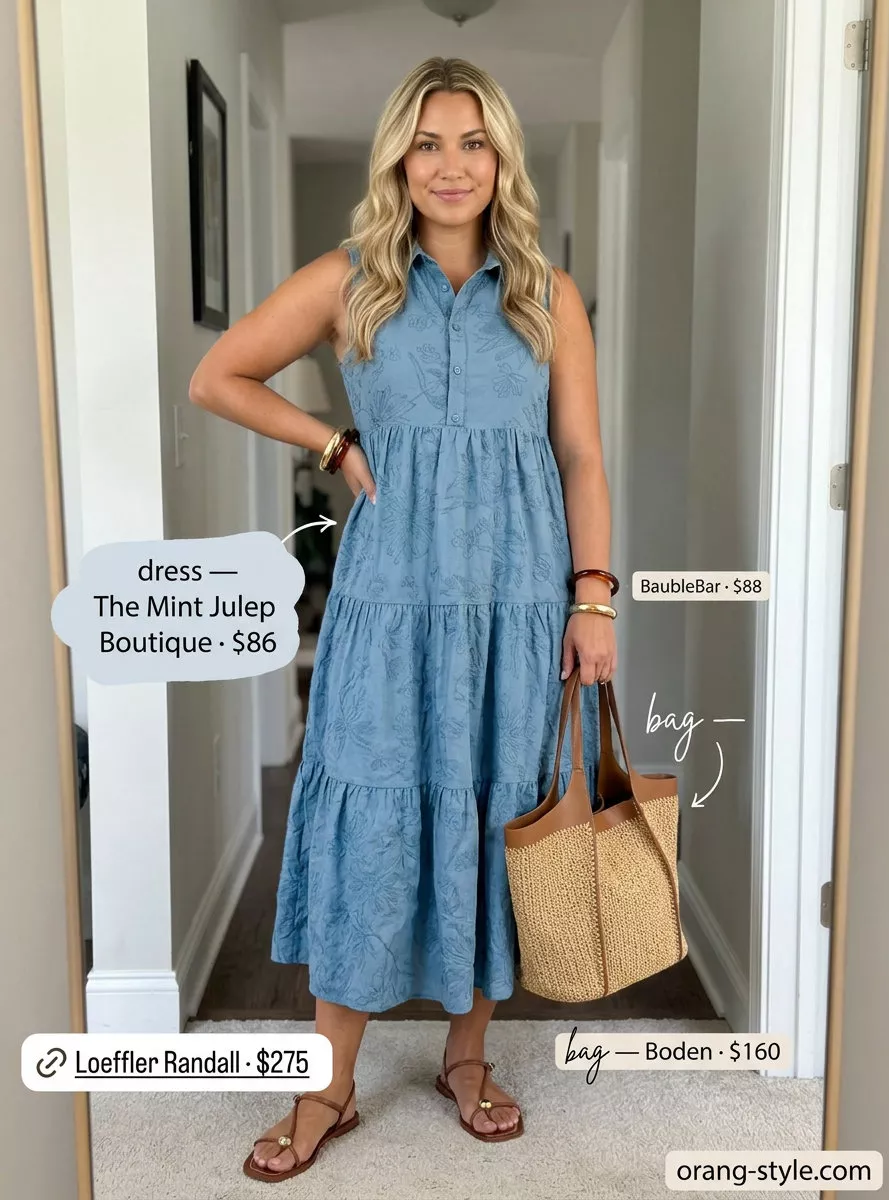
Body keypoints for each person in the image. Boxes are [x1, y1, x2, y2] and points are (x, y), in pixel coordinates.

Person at [189, 55, 616, 1182]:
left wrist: (592, 596)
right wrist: (329, 443)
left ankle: (465, 1061)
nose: (449, 165)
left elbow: (579, 454)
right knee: (370, 808)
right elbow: (220, 375)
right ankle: (327, 1084)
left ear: (500, 160)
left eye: (471, 142)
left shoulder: (546, 293)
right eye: (426, 143)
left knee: (494, 811)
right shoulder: (350, 279)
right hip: (387, 606)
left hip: (517, 602)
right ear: (397, 159)